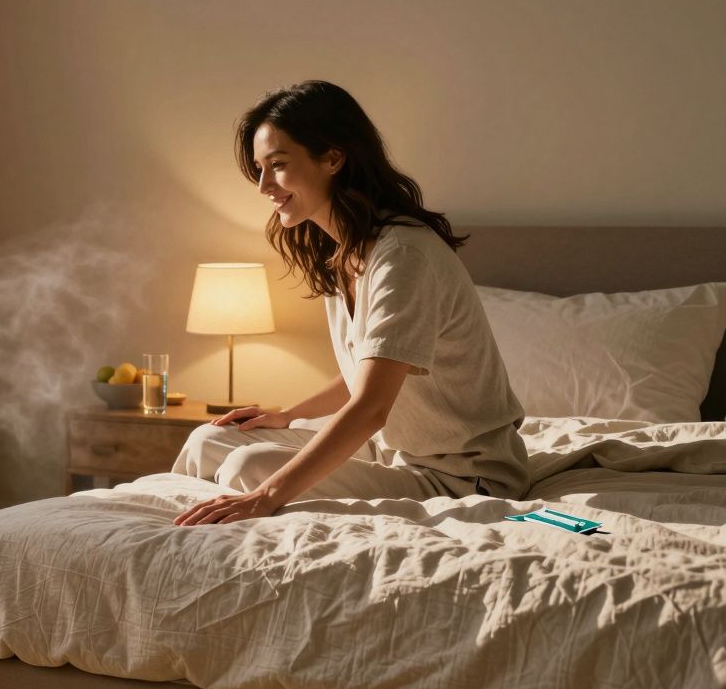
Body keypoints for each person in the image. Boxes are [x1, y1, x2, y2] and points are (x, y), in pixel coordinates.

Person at [173, 80, 528, 527]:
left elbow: (372, 407)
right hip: (390, 452)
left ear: (333, 158)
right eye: (259, 169)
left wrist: (264, 497)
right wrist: (288, 416)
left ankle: (198, 536)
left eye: (277, 165)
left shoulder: (405, 257)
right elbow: (369, 372)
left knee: (250, 469)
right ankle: (170, 531)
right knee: (208, 441)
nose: (263, 186)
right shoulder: (344, 251)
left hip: (462, 475)